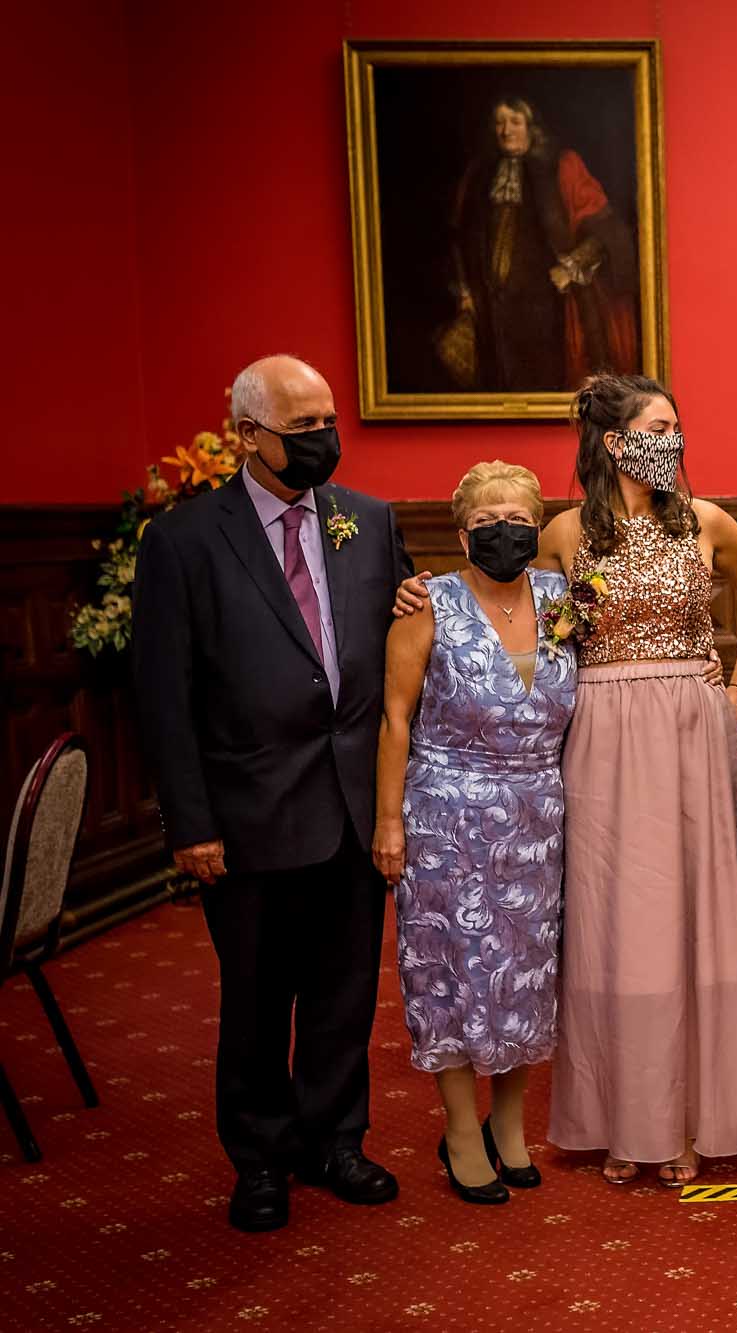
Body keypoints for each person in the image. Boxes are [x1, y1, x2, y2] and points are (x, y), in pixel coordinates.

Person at [393, 376, 737, 1189]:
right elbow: (494, 598)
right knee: (616, 923)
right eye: (658, 427)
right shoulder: (565, 532)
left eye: (677, 426)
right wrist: (416, 589)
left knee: (696, 916)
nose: (672, 440)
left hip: (691, 724)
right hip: (601, 731)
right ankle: (625, 1118)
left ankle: (692, 1118)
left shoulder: (705, 521)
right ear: (614, 441)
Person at [132, 354, 410, 1232]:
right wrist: (191, 821)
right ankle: (259, 1158)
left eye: (330, 421)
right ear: (248, 435)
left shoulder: (368, 522)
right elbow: (163, 694)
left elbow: (399, 662)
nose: (325, 440)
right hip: (246, 814)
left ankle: (335, 1138)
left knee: (344, 990)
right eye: (303, 430)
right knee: (255, 997)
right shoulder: (184, 540)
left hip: (353, 804)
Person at [374, 462, 577, 1205]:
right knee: (453, 975)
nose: (505, 529)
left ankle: (511, 1123)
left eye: (518, 517)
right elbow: (395, 719)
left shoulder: (565, 599)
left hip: (538, 815)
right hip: (444, 819)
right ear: (463, 533)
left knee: (525, 975)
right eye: (489, 518)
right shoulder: (426, 604)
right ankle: (462, 1129)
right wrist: (388, 821)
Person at [446, 96, 639, 392]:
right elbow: (459, 237)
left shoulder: (562, 166)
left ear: (531, 128)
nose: (506, 130)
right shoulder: (478, 175)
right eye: (499, 122)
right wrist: (465, 291)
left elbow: (606, 229)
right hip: (490, 307)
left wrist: (572, 265)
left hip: (549, 306)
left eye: (515, 122)